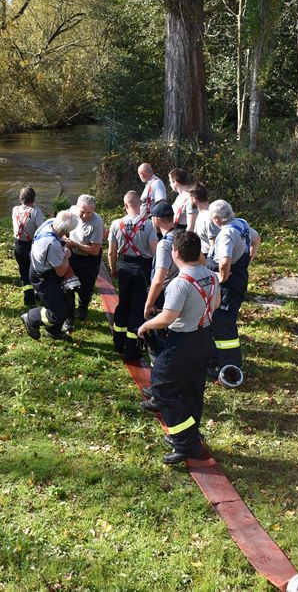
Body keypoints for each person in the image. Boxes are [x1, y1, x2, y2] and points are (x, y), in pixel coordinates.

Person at [137, 231, 220, 464]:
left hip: (183, 343)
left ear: (175, 253)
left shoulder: (179, 283)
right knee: (192, 389)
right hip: (205, 338)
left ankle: (185, 443)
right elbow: (215, 304)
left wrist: (145, 326)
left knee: (162, 388)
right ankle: (192, 435)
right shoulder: (212, 276)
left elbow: (167, 318)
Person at [207, 200, 262, 379]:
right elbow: (256, 239)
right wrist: (248, 261)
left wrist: (221, 278)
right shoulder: (241, 223)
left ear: (216, 218)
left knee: (223, 322)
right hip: (239, 277)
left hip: (228, 286)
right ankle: (217, 357)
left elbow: (224, 260)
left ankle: (229, 365)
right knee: (223, 320)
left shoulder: (226, 233)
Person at [107, 191, 159, 361]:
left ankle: (118, 342)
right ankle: (132, 348)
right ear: (140, 205)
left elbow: (111, 252)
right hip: (142, 269)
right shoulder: (149, 225)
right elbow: (155, 252)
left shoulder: (116, 224)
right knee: (137, 307)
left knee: (123, 303)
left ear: (125, 205)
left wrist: (113, 269)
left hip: (124, 267)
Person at [21, 210, 79, 340]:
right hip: (43, 278)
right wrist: (67, 255)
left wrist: (63, 243)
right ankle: (30, 318)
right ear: (65, 231)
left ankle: (53, 332)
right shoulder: (52, 244)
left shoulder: (50, 222)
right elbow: (61, 271)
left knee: (66, 304)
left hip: (41, 268)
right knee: (57, 312)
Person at [65, 194, 104, 323]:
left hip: (89, 261)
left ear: (94, 210)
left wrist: (75, 245)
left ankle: (83, 307)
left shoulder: (97, 223)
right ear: (77, 207)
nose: (85, 215)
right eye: (82, 212)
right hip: (72, 256)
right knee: (68, 286)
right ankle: (69, 315)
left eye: (89, 212)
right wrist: (65, 237)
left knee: (85, 290)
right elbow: (62, 226)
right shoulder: (72, 211)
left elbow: (95, 250)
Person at [143, 201, 181, 320]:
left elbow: (159, 280)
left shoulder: (164, 245)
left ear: (156, 219)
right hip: (184, 290)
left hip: (166, 295)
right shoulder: (185, 236)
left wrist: (148, 304)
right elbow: (202, 262)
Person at [11, 186, 45, 307]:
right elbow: (42, 230)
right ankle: (39, 296)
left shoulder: (15, 209)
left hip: (18, 245)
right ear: (34, 199)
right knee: (36, 272)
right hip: (32, 246)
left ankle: (28, 298)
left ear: (20, 198)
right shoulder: (36, 211)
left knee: (24, 271)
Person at [191, 184, 218, 260]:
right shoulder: (201, 213)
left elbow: (214, 246)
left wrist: (210, 264)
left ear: (194, 199)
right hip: (202, 256)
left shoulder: (209, 217)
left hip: (209, 258)